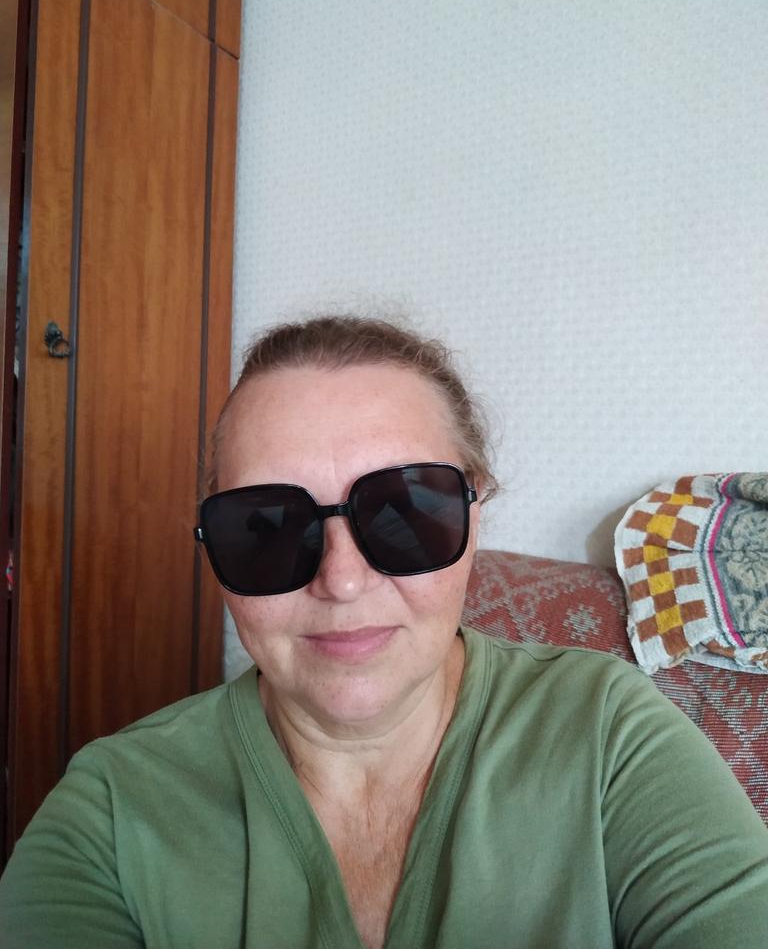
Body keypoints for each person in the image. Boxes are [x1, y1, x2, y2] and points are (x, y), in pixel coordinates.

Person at [1, 314, 768, 949]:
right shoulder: (109, 810)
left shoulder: (608, 733)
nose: (342, 581)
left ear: (475, 516)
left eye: (404, 511)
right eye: (268, 527)